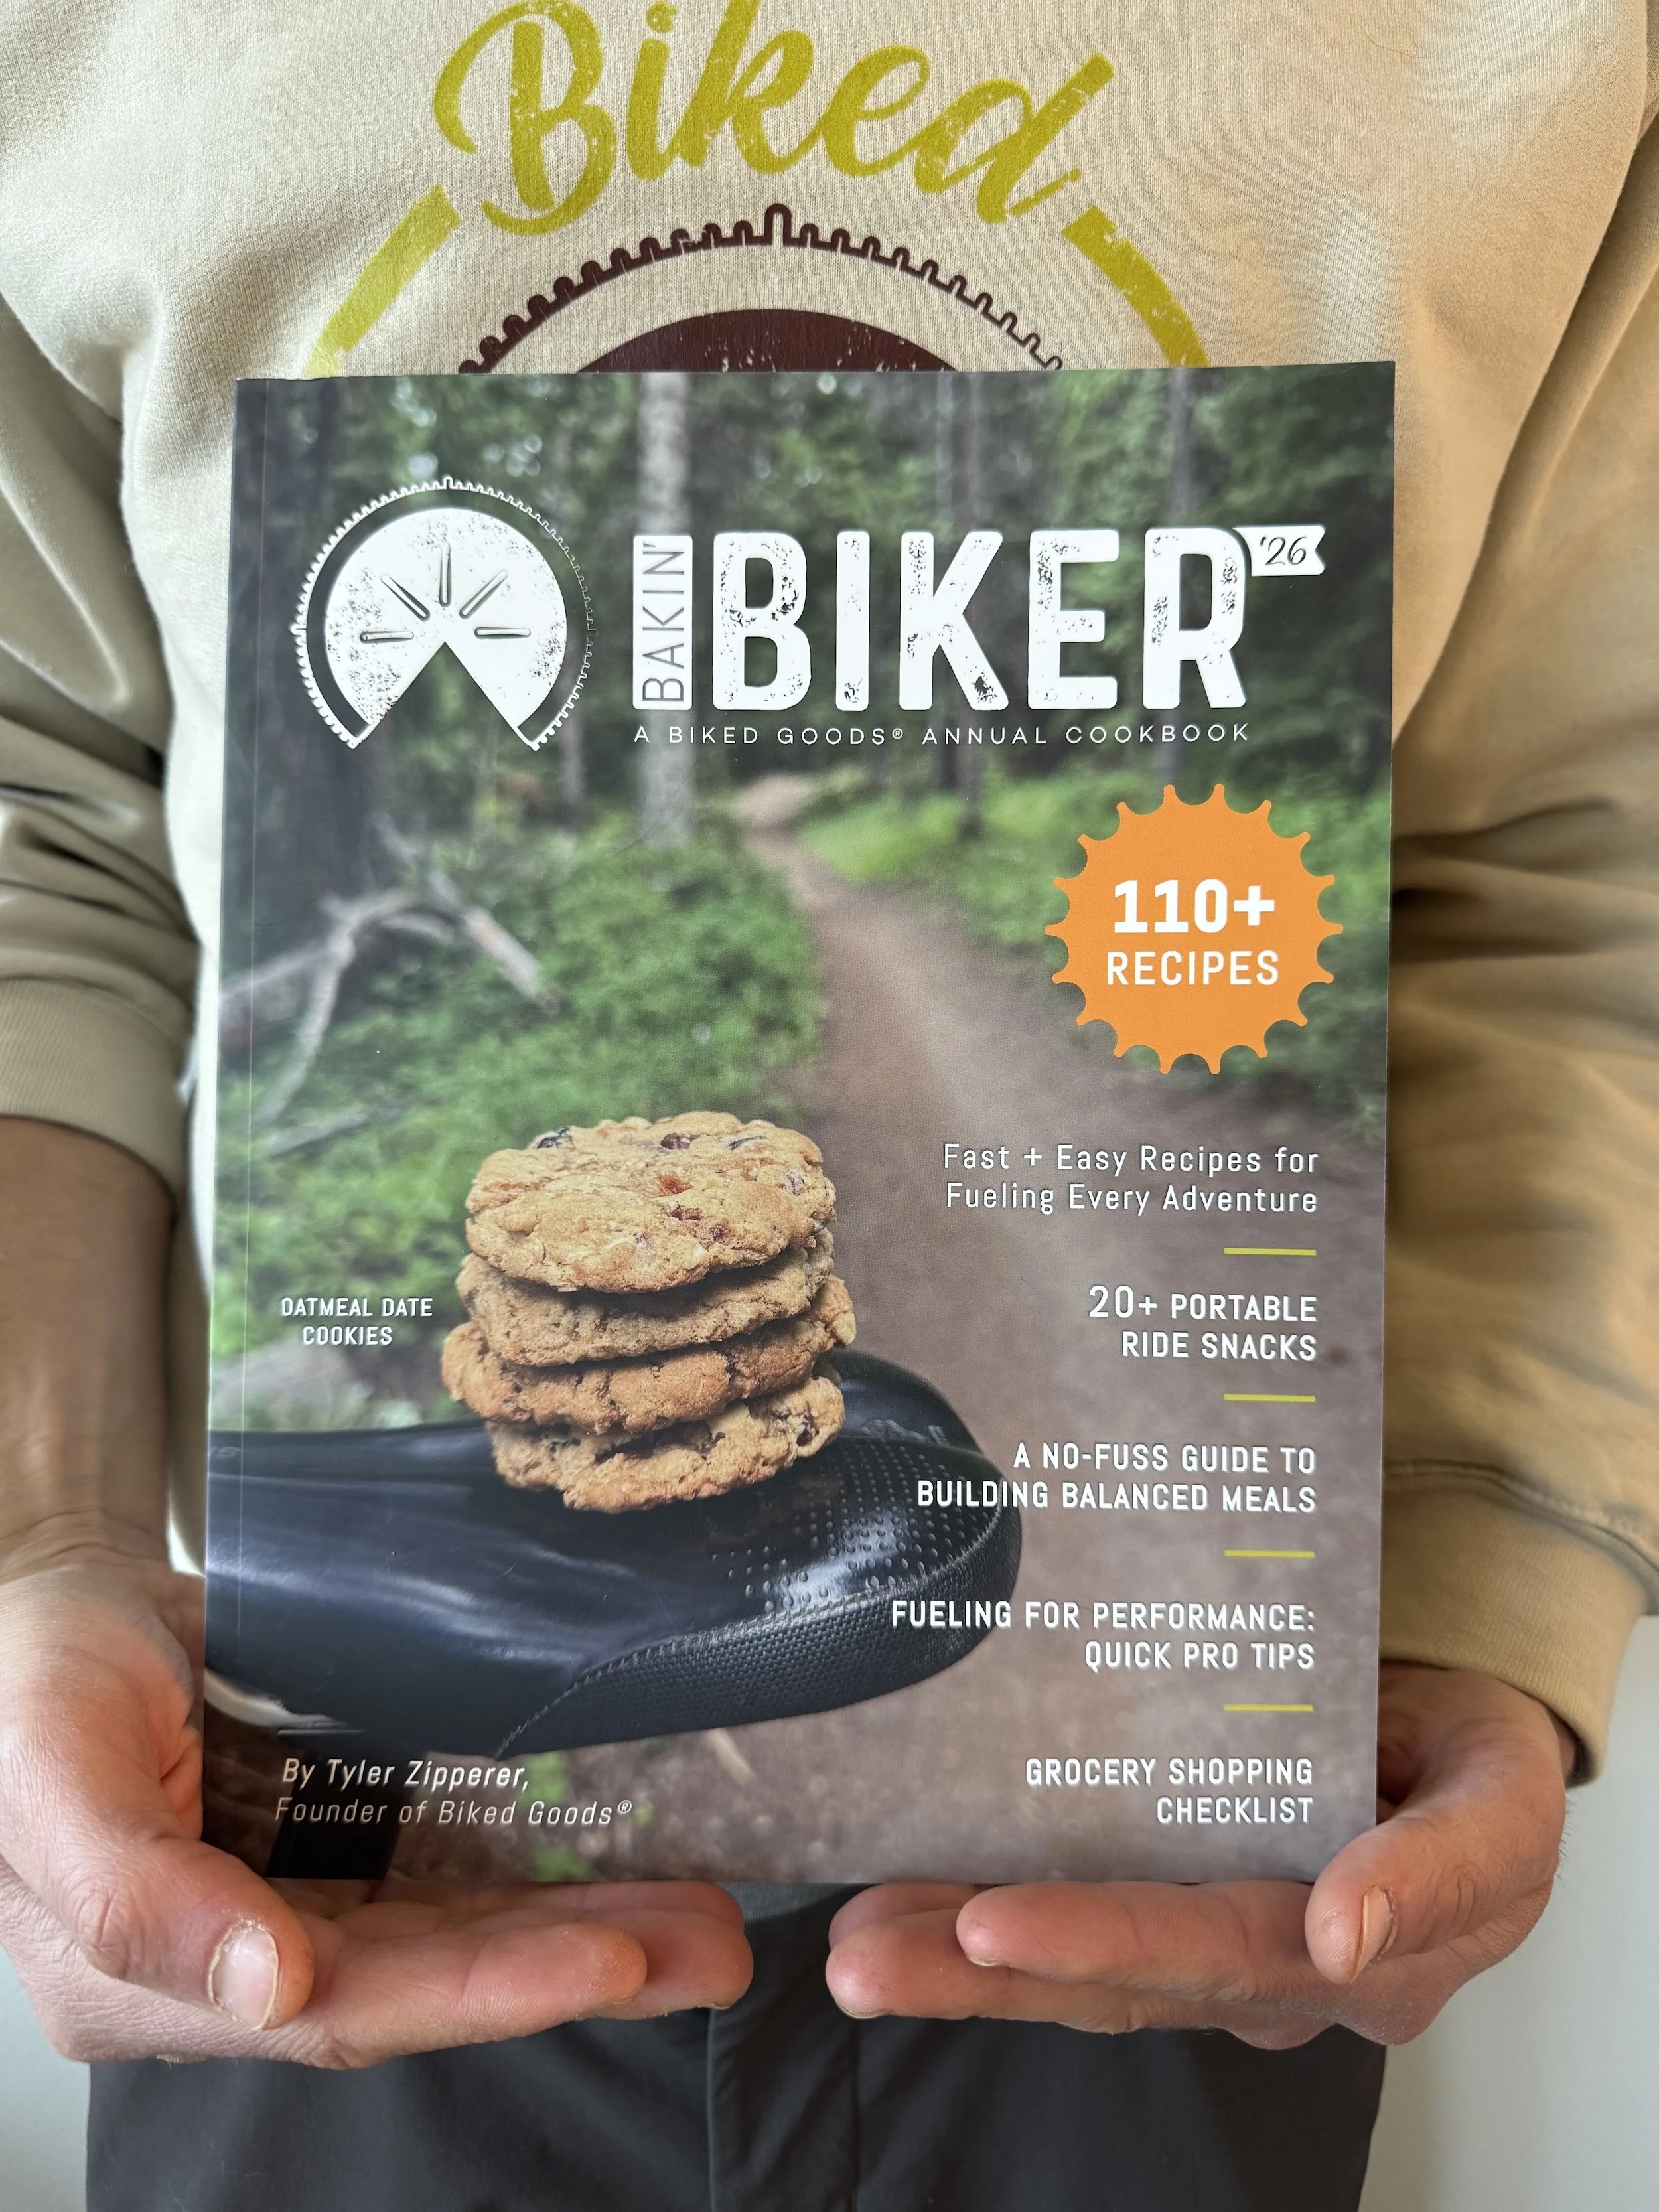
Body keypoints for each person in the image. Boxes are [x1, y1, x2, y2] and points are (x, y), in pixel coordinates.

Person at [0, 4, 1654, 2205]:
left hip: (1187, 1872)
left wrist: (1493, 1569)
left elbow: (1568, 848)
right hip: (299, 1812)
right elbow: (37, 820)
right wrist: (42, 1545)